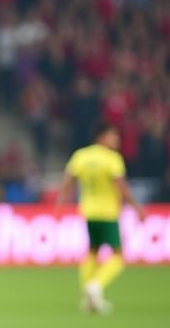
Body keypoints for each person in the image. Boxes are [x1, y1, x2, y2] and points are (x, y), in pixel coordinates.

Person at [55, 124, 145, 313]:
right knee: (118, 255)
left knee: (93, 251)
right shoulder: (112, 159)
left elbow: (67, 184)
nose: (116, 140)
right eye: (113, 136)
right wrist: (137, 208)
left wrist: (59, 205)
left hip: (88, 211)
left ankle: (88, 298)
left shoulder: (80, 156)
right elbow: (122, 187)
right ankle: (95, 285)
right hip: (108, 213)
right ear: (102, 137)